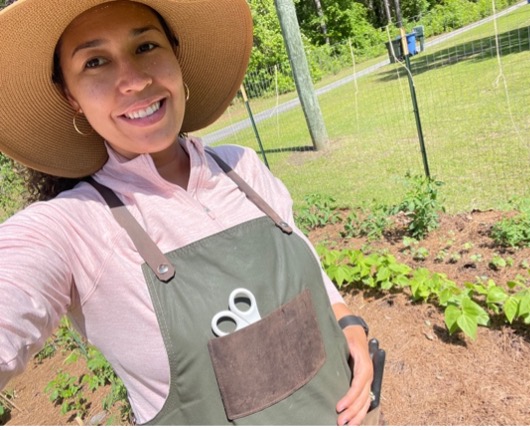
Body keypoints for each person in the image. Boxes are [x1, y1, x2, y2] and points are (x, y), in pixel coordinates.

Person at [0, 0, 374, 425]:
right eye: (96, 61)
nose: (134, 80)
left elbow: (314, 280)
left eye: (146, 47)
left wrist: (350, 324)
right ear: (72, 97)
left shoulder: (243, 168)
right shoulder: (73, 227)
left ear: (176, 58)